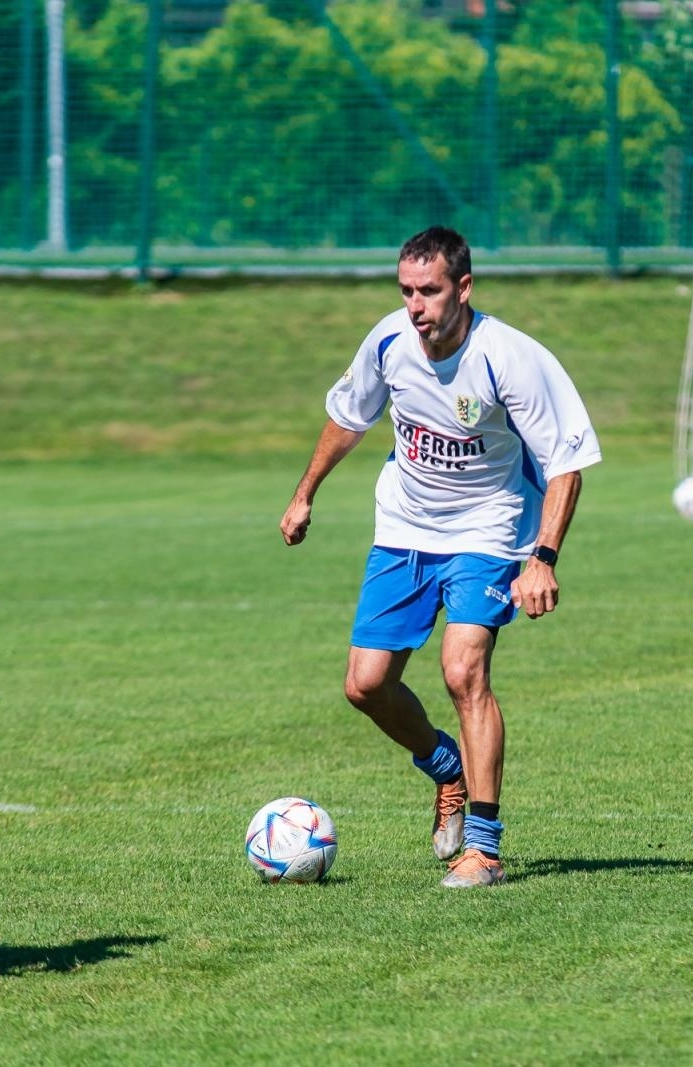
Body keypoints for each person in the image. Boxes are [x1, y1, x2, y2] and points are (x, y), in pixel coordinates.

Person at [279, 226, 601, 888]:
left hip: (490, 530)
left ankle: (484, 846)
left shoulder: (507, 357)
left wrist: (542, 557)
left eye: (428, 291)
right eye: (405, 291)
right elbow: (349, 415)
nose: (415, 306)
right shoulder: (390, 342)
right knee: (365, 684)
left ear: (464, 287)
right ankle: (443, 765)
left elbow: (567, 460)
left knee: (463, 670)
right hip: (404, 524)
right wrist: (304, 493)